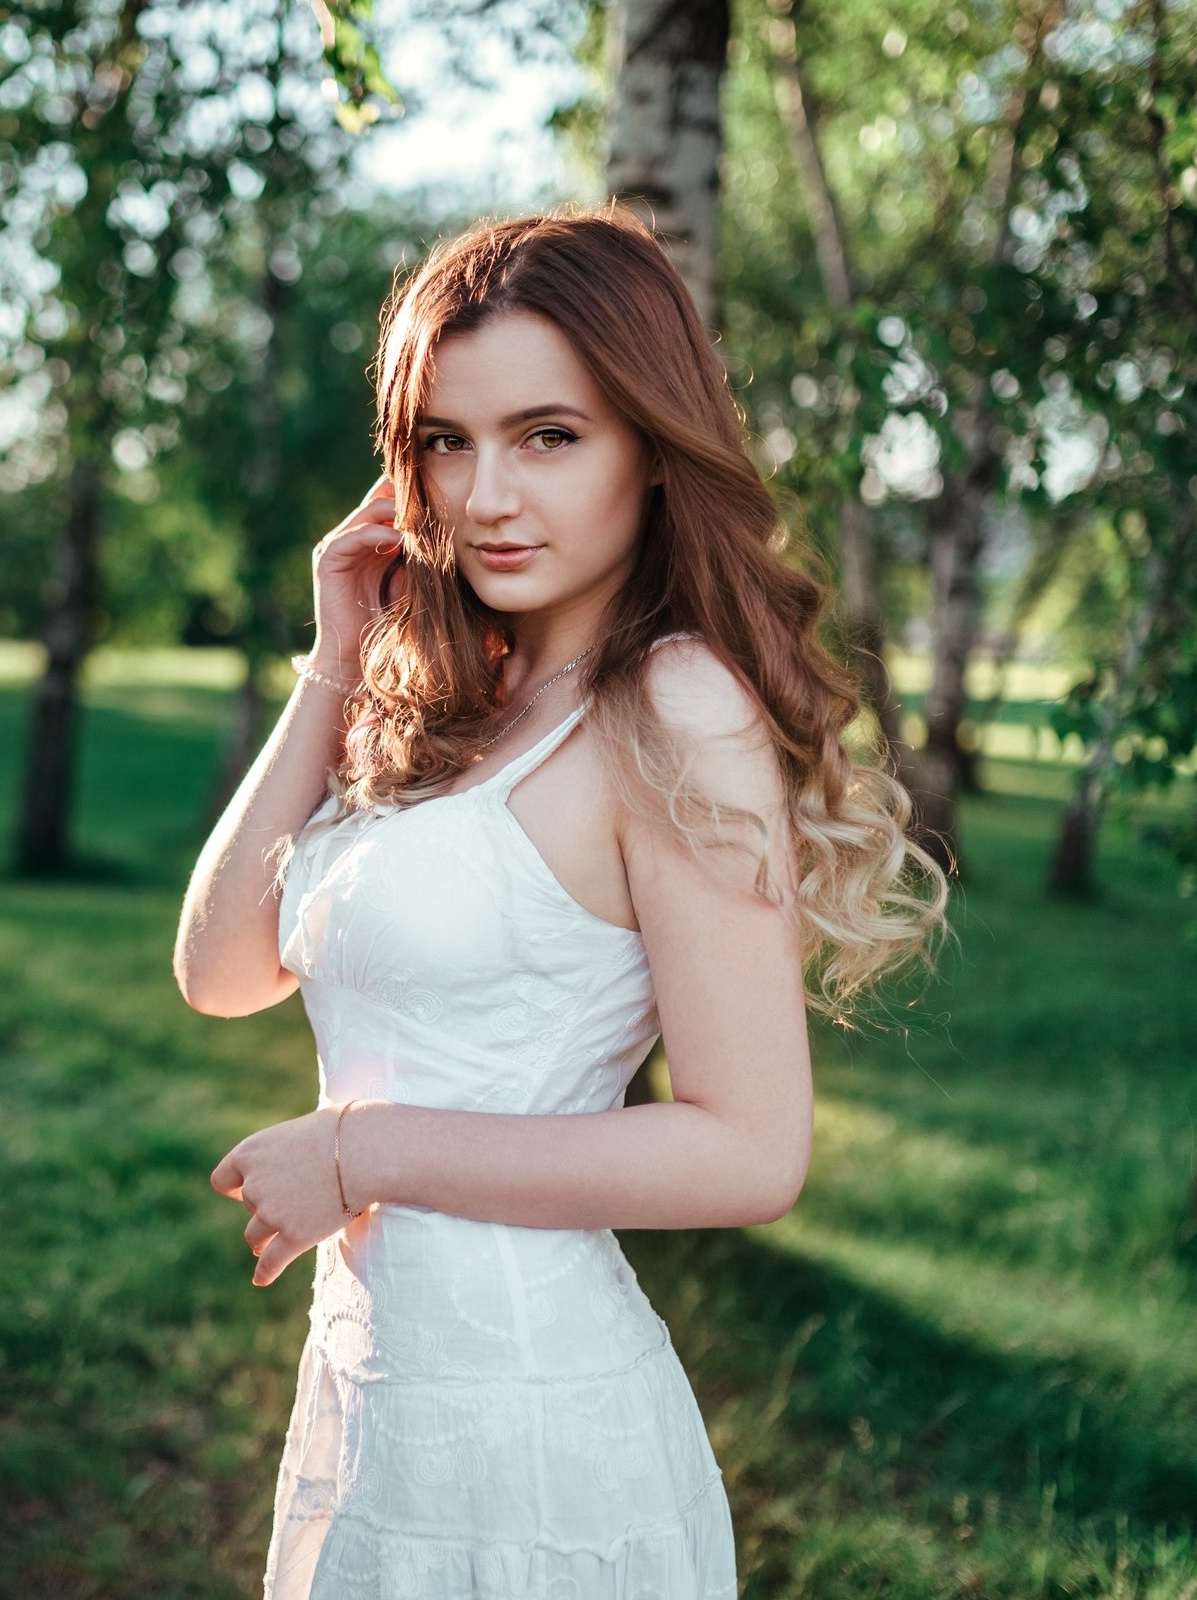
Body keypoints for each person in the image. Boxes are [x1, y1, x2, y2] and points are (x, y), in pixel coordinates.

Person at [173, 206, 947, 1599]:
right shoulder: (456, 703)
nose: (484, 498)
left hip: (536, 1441)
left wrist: (366, 1153)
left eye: (549, 435)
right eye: (442, 443)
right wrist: (333, 659)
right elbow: (222, 968)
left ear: (651, 446)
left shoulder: (675, 706)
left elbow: (749, 1152)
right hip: (384, 1400)